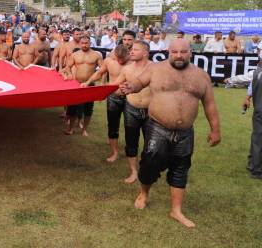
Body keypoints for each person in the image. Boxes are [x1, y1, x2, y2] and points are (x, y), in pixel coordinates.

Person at [120, 38, 221, 228]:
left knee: (181, 168)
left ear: (190, 53)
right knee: (149, 164)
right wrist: (131, 86)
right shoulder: (156, 69)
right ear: (169, 52)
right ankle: (144, 193)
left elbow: (210, 105)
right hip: (158, 127)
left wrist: (215, 130)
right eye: (175, 52)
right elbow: (140, 82)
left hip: (185, 132)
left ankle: (176, 210)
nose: (179, 56)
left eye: (183, 52)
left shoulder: (201, 76)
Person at [81, 44, 130, 161]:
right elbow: (98, 73)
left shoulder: (134, 63)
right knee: (113, 124)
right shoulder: (109, 61)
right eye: (118, 58)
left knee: (130, 126)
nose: (120, 61)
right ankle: (114, 152)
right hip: (114, 97)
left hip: (130, 98)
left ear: (128, 55)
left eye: (122, 59)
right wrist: (87, 83)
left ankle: (130, 150)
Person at [114, 41, 152, 183]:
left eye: (136, 50)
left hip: (151, 111)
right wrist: (120, 89)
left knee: (151, 144)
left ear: (146, 53)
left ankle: (146, 170)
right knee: (131, 142)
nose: (131, 51)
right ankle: (133, 172)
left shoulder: (155, 68)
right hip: (131, 109)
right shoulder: (127, 69)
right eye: (132, 49)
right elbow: (115, 88)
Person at [63, 36, 103, 136]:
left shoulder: (96, 55)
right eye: (83, 43)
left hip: (90, 85)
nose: (84, 45)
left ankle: (84, 129)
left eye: (86, 43)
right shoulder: (75, 54)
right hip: (77, 84)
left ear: (90, 43)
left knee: (88, 109)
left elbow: (103, 69)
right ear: (79, 43)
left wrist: (102, 83)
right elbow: (67, 67)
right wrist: (69, 74)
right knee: (72, 108)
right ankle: (71, 128)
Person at [243, 48, 262, 179]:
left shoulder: (257, 72)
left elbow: (243, 79)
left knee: (258, 140)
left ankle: (256, 170)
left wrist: (229, 80)